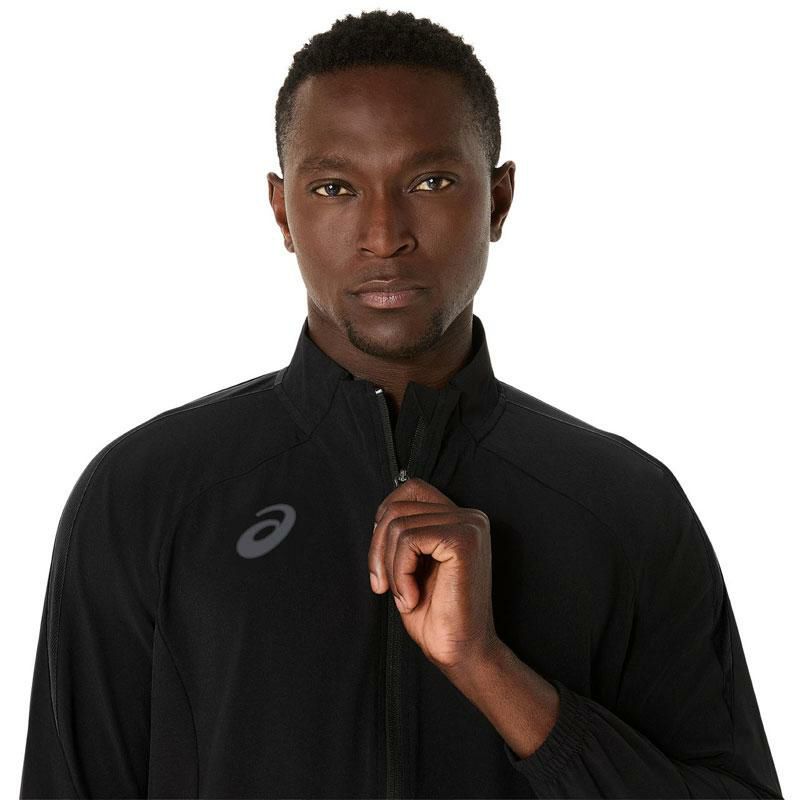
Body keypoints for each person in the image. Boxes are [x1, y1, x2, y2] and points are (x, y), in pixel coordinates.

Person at [20, 9, 782, 799]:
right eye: (335, 188)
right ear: (283, 212)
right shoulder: (146, 495)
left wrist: (487, 669)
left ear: (499, 199)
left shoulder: (625, 505)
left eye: (430, 182)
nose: (384, 235)